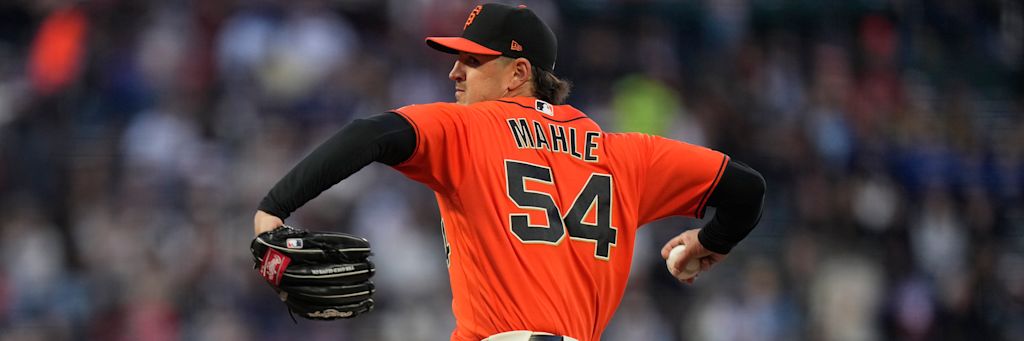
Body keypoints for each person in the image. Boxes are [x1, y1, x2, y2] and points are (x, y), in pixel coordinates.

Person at [252, 3, 765, 341]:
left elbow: (371, 134)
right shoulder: (624, 153)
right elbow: (746, 188)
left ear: (519, 74)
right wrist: (708, 243)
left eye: (473, 61)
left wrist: (273, 209)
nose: (455, 71)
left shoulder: (472, 128)